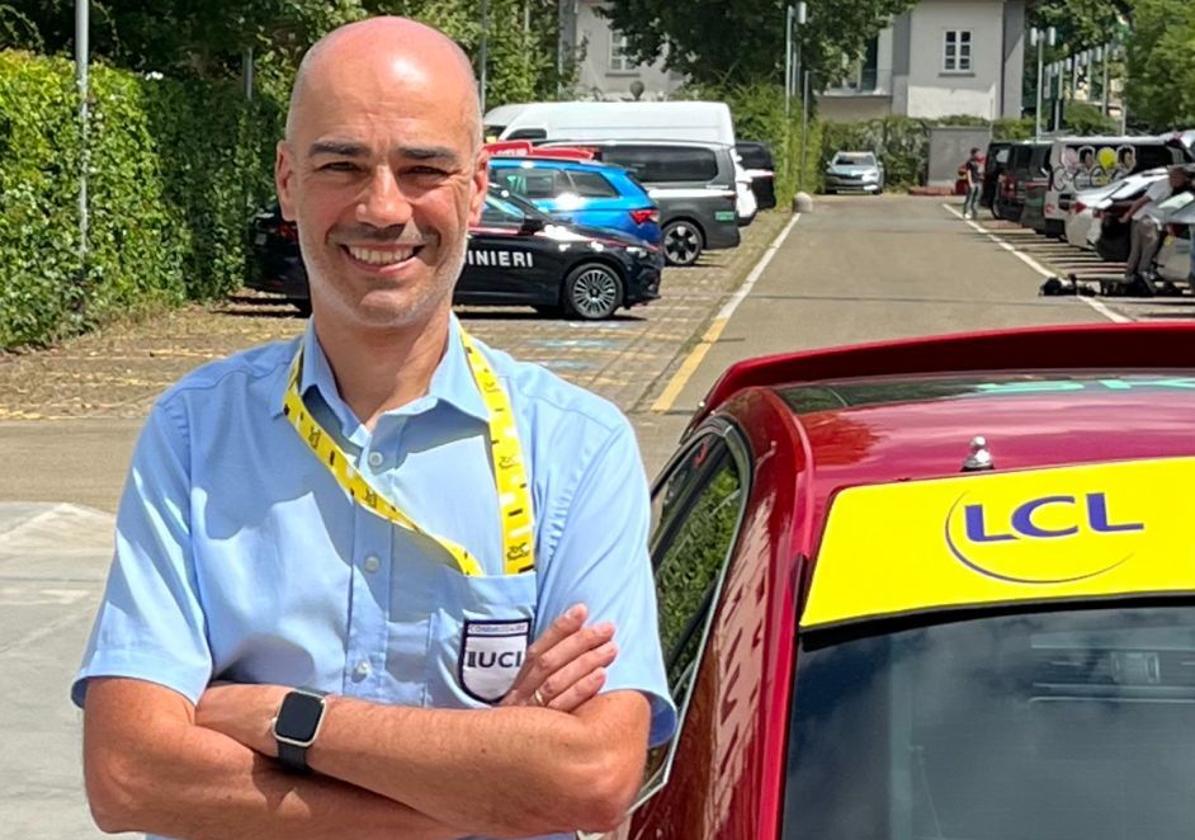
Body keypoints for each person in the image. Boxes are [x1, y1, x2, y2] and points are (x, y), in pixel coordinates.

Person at [73, 16, 675, 840]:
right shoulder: (193, 432)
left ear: (476, 185)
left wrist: (283, 719)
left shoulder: (577, 449)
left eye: (423, 167)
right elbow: (129, 773)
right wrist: (473, 792)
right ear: (288, 181)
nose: (383, 207)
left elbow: (591, 777)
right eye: (341, 165)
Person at [1119, 166, 1192, 296]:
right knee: (1147, 250)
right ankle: (1141, 278)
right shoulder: (1162, 185)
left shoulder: (1175, 188)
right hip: (1147, 221)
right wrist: (1127, 216)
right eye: (1181, 179)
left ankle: (1130, 277)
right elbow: (1141, 201)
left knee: (1137, 251)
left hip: (1147, 220)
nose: (1181, 182)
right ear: (1175, 177)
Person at [960, 147, 983, 219]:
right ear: (974, 154)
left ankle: (975, 213)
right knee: (969, 197)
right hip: (973, 181)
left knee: (976, 198)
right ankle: (966, 212)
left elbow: (981, 171)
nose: (979, 154)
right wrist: (970, 182)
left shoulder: (980, 162)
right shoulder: (970, 162)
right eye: (977, 153)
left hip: (979, 181)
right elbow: (968, 172)